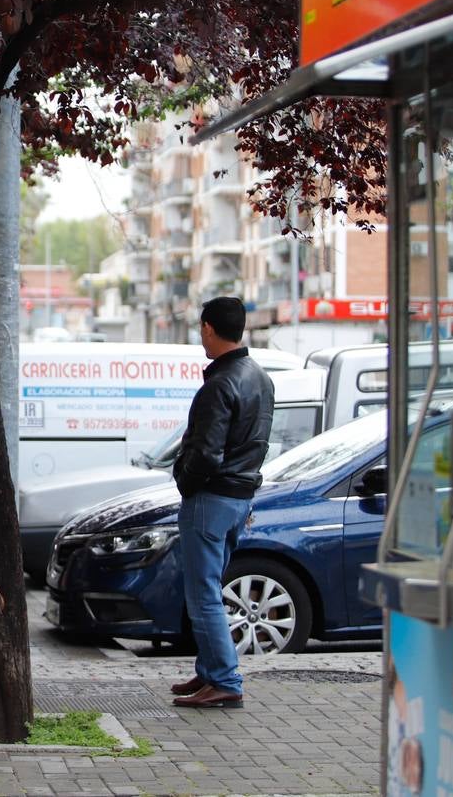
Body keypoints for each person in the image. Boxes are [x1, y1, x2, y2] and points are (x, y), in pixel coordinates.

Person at [170, 296, 273, 709]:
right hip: (240, 498)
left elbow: (206, 455)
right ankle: (211, 671)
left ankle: (225, 680)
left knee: (203, 593)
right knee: (210, 588)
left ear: (209, 328)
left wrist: (184, 479)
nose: (201, 336)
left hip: (211, 499)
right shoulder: (259, 377)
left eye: (201, 329)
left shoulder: (220, 384)